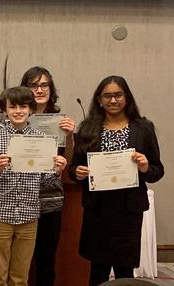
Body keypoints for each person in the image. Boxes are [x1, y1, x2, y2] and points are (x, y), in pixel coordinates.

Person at [69, 75, 164, 286]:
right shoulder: (87, 128)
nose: (113, 100)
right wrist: (78, 173)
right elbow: (73, 169)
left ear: (127, 97)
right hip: (98, 210)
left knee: (125, 269)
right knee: (98, 270)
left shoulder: (143, 128)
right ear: (99, 99)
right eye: (107, 96)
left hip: (128, 211)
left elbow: (158, 171)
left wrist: (146, 167)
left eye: (118, 95)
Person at [0, 87, 66, 286]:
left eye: (23, 106)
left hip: (29, 215)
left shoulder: (43, 140)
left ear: (31, 110)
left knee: (20, 277)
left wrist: (56, 171)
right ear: (5, 110)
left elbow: (46, 181)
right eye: (13, 107)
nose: (18, 111)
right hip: (0, 214)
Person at [20, 66, 75, 286]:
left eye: (44, 85)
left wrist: (69, 136)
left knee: (46, 263)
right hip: (20, 199)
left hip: (50, 200)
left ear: (51, 88)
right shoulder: (16, 117)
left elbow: (69, 162)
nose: (39, 89)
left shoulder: (60, 121)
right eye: (33, 85)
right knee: (19, 264)